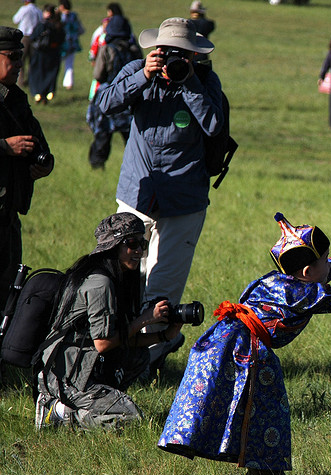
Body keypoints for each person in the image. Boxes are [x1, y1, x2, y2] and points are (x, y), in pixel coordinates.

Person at [158, 213, 331, 475]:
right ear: (308, 272)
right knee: (265, 412)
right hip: (244, 353)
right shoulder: (300, 294)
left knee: (258, 411)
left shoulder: (285, 280)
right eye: (324, 259)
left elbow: (329, 268)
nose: (330, 262)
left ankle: (268, 473)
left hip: (228, 343)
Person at [96, 17, 223, 367]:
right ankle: (117, 348)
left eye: (182, 54)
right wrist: (144, 76)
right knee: (125, 277)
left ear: (195, 55)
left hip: (182, 202)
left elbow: (214, 125)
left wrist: (188, 84)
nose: (173, 59)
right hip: (137, 193)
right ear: (154, 50)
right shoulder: (139, 70)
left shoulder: (205, 82)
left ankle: (149, 358)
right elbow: (103, 104)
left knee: (161, 287)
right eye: (166, 52)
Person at [35, 213, 183, 430]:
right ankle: (58, 411)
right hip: (67, 378)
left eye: (142, 243)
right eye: (131, 244)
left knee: (139, 357)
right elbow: (103, 343)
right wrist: (145, 320)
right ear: (113, 246)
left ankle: (99, 401)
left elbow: (120, 338)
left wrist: (163, 336)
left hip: (86, 364)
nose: (139, 251)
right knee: (133, 421)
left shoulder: (117, 277)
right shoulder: (100, 283)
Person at [0, 26, 54, 315]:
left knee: (8, 288)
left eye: (22, 56)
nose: (20, 63)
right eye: (12, 56)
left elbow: (38, 142)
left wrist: (44, 164)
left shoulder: (16, 99)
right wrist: (4, 147)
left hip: (8, 213)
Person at [87, 14, 141, 170]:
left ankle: (97, 165)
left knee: (103, 135)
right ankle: (135, 167)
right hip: (131, 97)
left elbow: (98, 74)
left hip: (110, 96)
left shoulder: (107, 49)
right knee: (132, 138)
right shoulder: (134, 50)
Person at [28, 4, 65, 105]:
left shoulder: (43, 24)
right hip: (54, 53)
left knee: (38, 74)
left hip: (40, 53)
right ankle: (48, 93)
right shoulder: (58, 25)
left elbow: (33, 37)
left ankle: (37, 94)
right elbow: (62, 39)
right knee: (50, 74)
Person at [12, 0, 43, 87]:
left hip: (24, 36)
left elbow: (15, 19)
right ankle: (31, 81)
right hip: (35, 37)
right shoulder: (38, 10)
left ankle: (20, 81)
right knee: (32, 60)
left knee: (21, 59)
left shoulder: (24, 9)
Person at [58, 0, 84, 91]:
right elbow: (81, 29)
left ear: (62, 6)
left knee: (56, 63)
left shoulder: (61, 16)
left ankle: (52, 82)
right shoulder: (74, 16)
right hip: (72, 43)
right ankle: (69, 84)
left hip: (62, 43)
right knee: (69, 64)